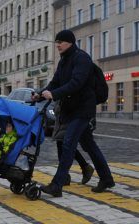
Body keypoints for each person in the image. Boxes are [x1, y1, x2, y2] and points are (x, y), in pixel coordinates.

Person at [39, 30, 115, 197]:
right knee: (89, 146)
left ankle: (57, 185)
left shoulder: (81, 58)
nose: (57, 44)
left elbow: (77, 83)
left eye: (61, 41)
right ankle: (107, 178)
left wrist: (55, 94)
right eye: (56, 41)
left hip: (83, 109)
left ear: (70, 43)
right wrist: (39, 93)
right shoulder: (64, 60)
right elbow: (55, 82)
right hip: (71, 109)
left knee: (68, 143)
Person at [52, 100, 94, 186]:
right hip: (61, 119)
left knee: (66, 146)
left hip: (67, 119)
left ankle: (65, 175)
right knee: (63, 146)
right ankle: (68, 174)